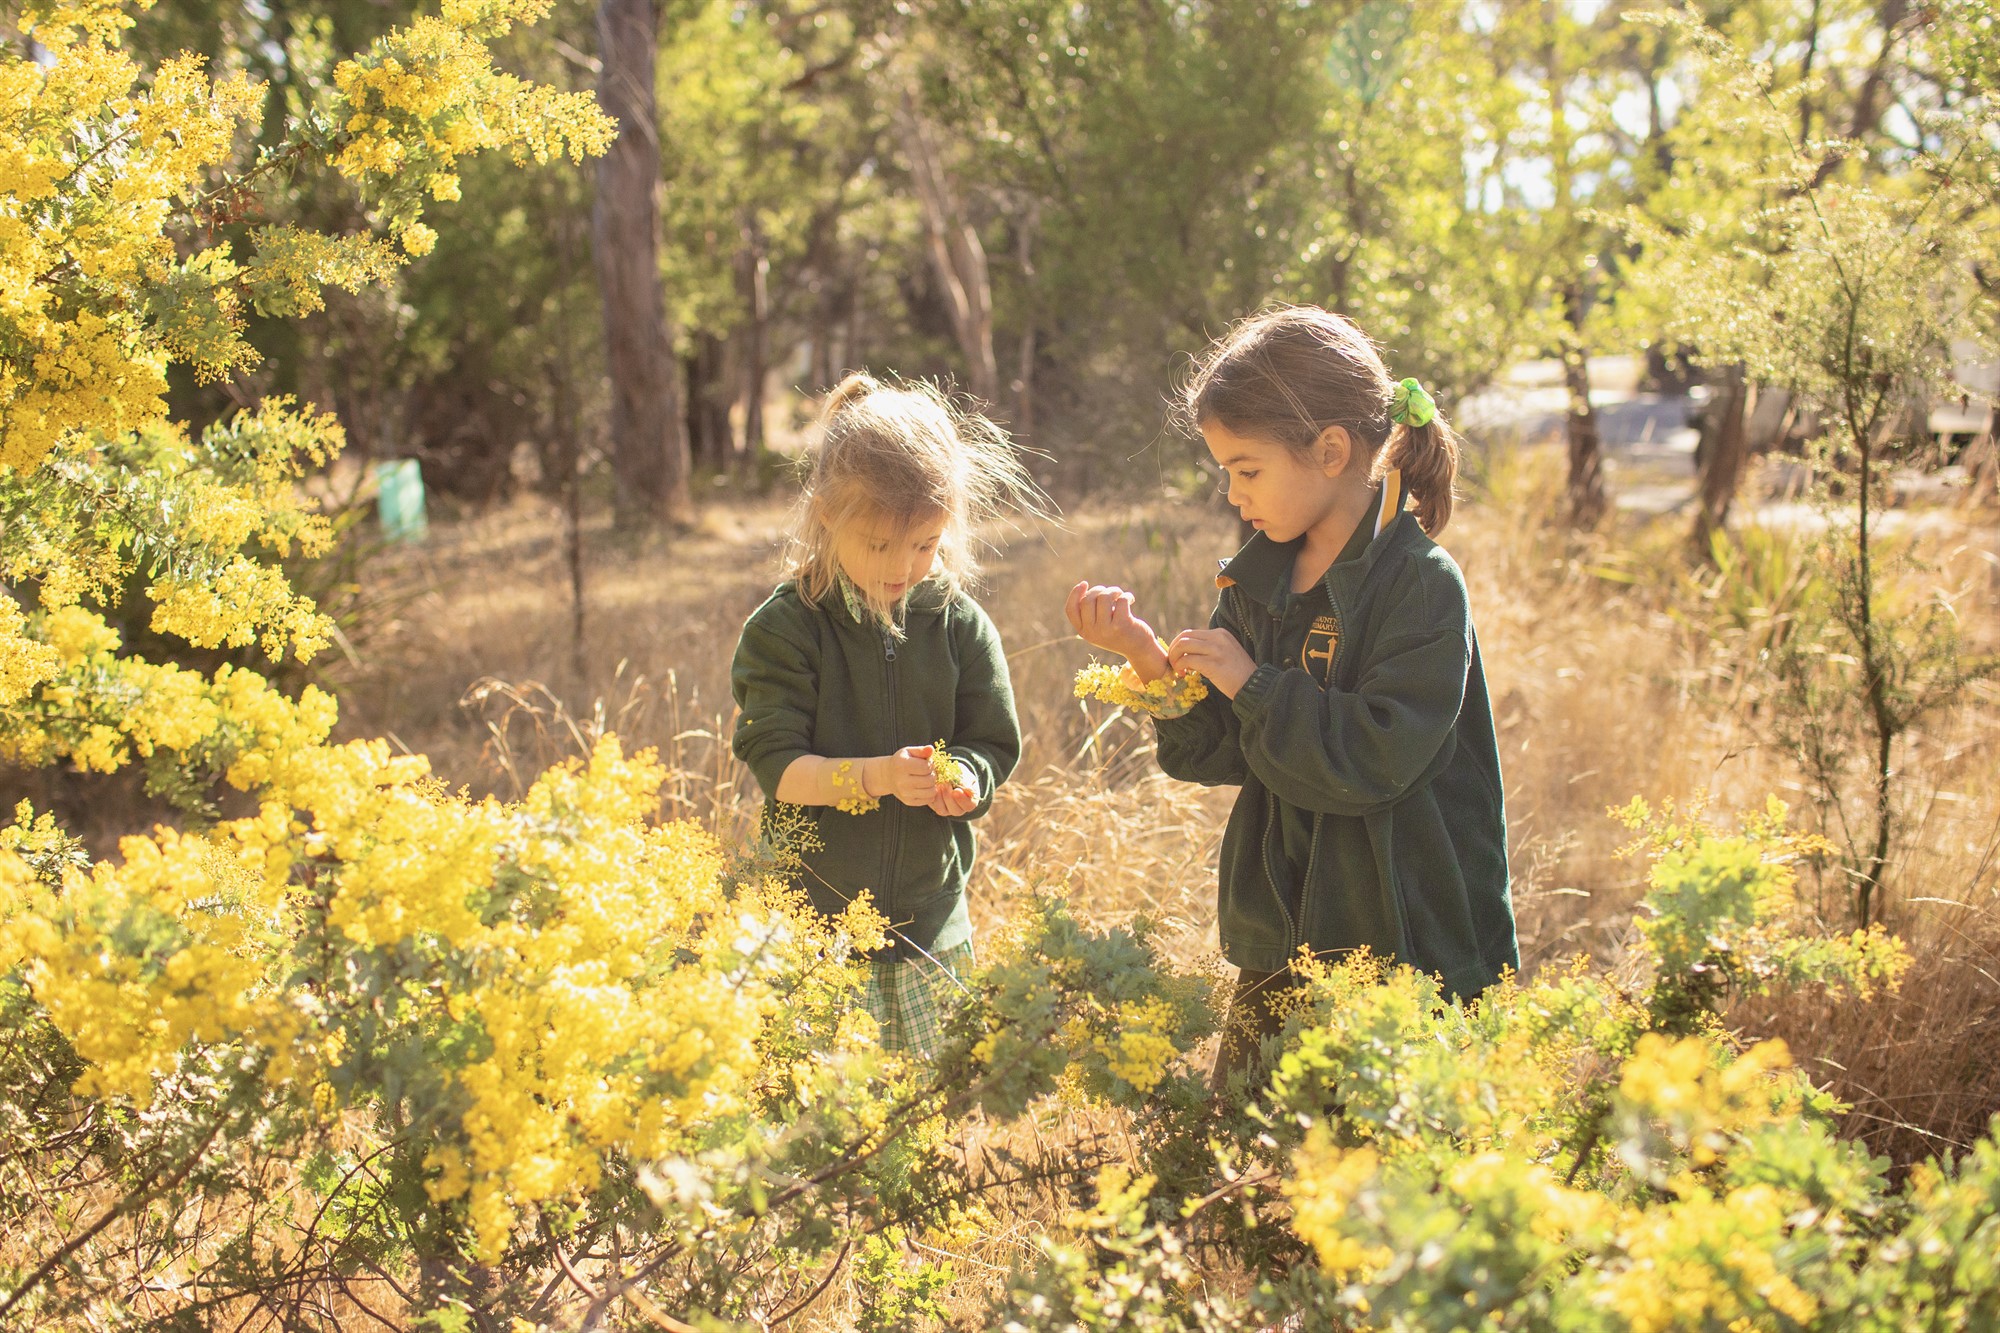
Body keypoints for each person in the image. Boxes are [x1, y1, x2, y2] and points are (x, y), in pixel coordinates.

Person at [1064, 306, 1517, 1094]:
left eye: (1247, 469)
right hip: (1284, 941)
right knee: (1254, 1168)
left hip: (1405, 943)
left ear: (1332, 450)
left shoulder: (1419, 585)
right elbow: (1220, 747)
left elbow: (1375, 757)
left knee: (1393, 1188)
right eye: (1225, 474)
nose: (1235, 496)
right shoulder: (1258, 580)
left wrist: (1255, 682)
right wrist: (1143, 656)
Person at [732, 372, 1042, 1058]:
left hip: (929, 922)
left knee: (922, 1112)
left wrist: (965, 774)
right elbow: (781, 769)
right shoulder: (787, 630)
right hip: (814, 922)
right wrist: (875, 777)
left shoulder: (960, 625)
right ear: (823, 517)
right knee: (821, 1120)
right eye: (878, 545)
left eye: (926, 544)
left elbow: (990, 742)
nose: (904, 565)